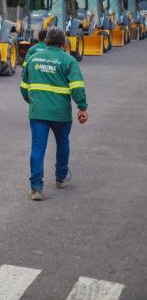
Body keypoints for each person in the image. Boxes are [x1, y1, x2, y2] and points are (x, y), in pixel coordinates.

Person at [20, 27, 89, 201]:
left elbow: (24, 87)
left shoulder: (33, 59)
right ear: (63, 43)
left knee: (37, 148)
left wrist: (33, 101)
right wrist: (82, 107)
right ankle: (60, 178)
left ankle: (36, 189)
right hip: (60, 113)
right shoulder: (68, 60)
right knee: (63, 143)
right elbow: (77, 87)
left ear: (46, 41)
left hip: (38, 112)